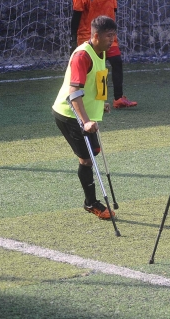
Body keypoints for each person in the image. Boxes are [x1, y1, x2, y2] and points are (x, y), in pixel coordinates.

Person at [53, 15, 118, 220]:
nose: (112, 40)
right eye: (109, 36)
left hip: (84, 115)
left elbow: (95, 83)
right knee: (87, 160)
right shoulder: (83, 56)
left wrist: (101, 103)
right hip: (69, 114)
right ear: (96, 36)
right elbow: (74, 92)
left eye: (114, 36)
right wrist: (86, 121)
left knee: (94, 152)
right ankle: (91, 203)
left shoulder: (101, 53)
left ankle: (90, 199)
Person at [71, 0, 137, 109]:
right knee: (93, 70)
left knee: (116, 62)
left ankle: (119, 99)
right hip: (89, 37)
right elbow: (76, 19)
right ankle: (86, 100)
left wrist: (110, 32)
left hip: (107, 36)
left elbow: (114, 9)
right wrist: (73, 41)